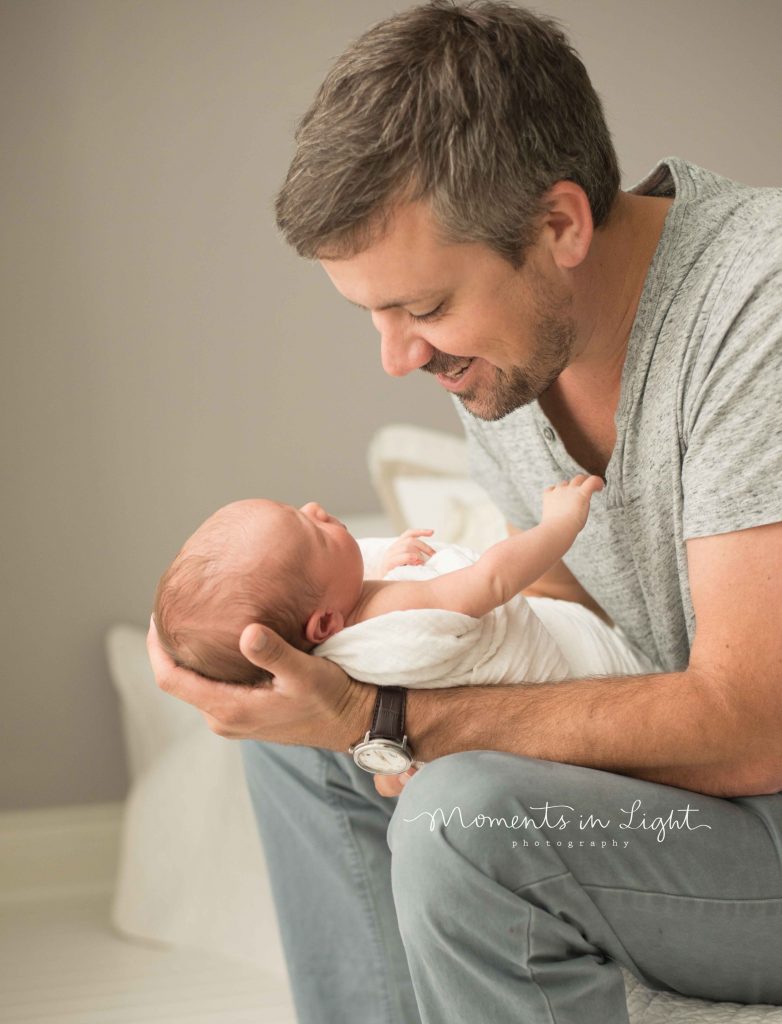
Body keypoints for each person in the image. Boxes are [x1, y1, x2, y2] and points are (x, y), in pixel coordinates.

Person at [147, 3, 782, 1022]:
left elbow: (757, 724)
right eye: (375, 314)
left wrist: (385, 722)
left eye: (425, 308)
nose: (398, 358)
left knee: (456, 814)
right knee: (294, 726)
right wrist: (323, 674)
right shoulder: (512, 358)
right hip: (696, 812)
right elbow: (551, 628)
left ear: (559, 224)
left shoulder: (759, 302)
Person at [153, 478, 650, 696]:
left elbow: (366, 595)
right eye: (313, 534)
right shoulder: (401, 609)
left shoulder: (348, 628)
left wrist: (392, 567)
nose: (313, 509)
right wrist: (559, 524)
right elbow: (494, 579)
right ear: (324, 623)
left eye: (295, 511)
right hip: (603, 672)